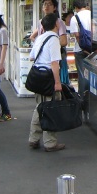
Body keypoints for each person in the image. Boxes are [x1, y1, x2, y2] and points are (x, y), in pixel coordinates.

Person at [27, 13, 66, 152]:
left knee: (40, 107)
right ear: (56, 24)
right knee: (51, 109)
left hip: (38, 77)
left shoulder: (40, 37)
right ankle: (50, 142)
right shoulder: (54, 39)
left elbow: (32, 57)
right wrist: (57, 82)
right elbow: (54, 63)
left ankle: (33, 138)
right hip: (48, 78)